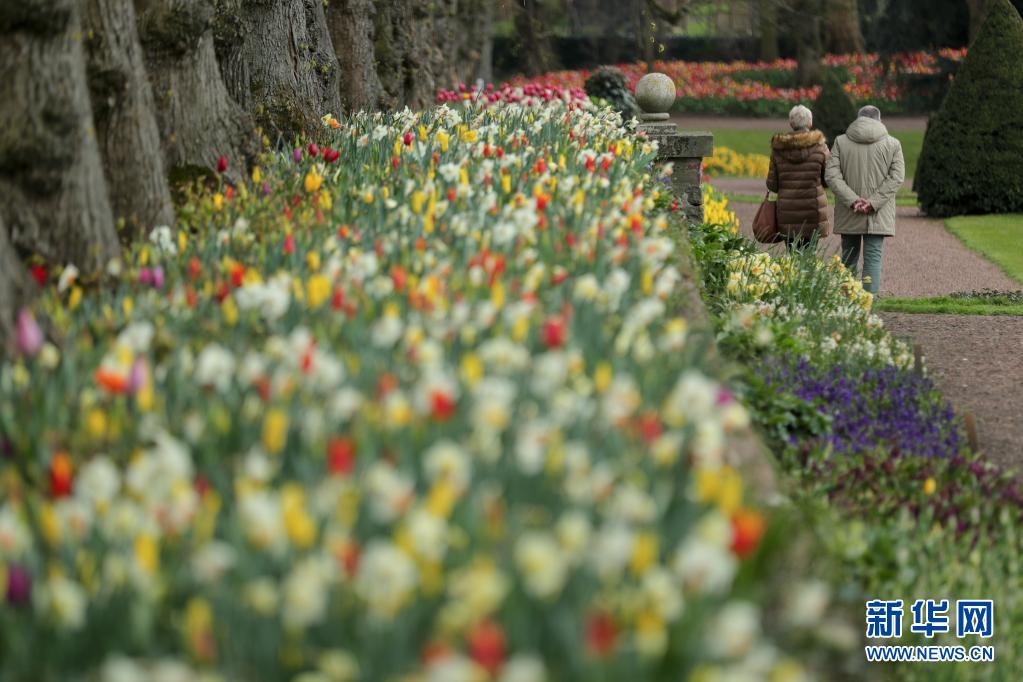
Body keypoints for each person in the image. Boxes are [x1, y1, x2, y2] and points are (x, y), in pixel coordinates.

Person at [825, 105, 906, 296]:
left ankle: (846, 304)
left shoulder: (840, 142)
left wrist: (853, 201)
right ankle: (869, 305)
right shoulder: (893, 144)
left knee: (848, 258)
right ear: (879, 119)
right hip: (877, 212)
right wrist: (873, 203)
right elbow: (897, 178)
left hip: (849, 209)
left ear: (858, 119)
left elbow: (831, 176)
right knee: (873, 259)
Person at [766, 104, 830, 250]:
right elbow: (828, 180)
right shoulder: (821, 148)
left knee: (792, 257)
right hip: (813, 211)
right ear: (810, 123)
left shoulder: (778, 149)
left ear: (791, 123)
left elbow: (772, 185)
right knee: (809, 256)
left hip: (787, 213)